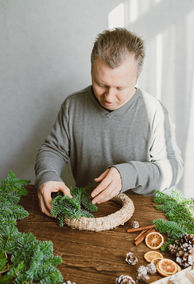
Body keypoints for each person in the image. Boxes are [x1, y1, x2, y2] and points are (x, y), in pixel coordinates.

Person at [35, 28, 183, 216]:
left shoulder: (154, 111)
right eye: (101, 84)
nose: (109, 97)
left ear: (137, 76)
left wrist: (128, 174)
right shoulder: (73, 105)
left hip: (142, 216)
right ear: (91, 71)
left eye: (120, 87)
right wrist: (48, 176)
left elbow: (174, 168)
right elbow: (53, 149)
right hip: (88, 212)